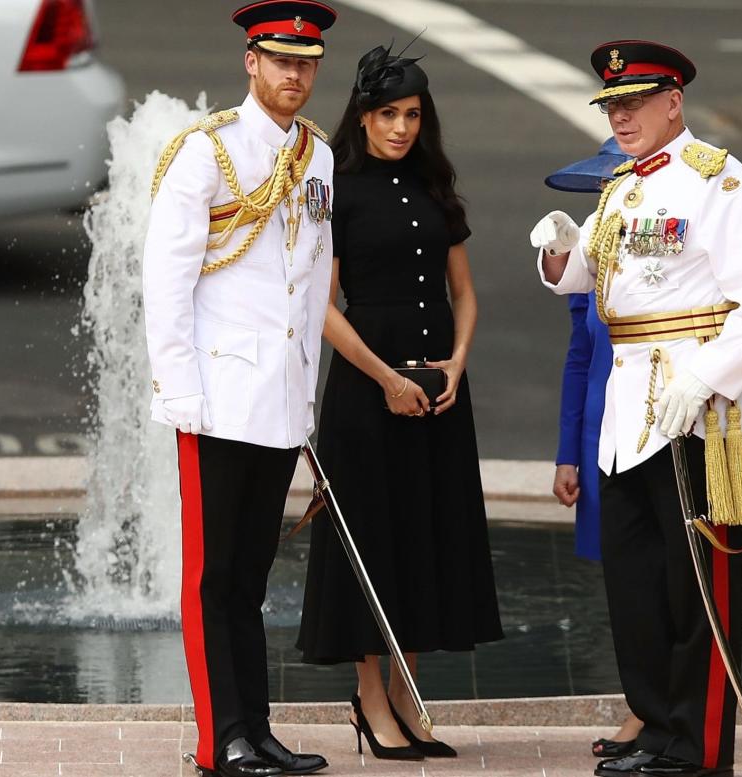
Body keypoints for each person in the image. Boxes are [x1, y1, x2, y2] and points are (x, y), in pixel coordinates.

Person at [531, 41, 742, 777]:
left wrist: (710, 375)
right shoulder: (621, 187)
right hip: (628, 417)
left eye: (635, 103)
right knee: (638, 583)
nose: (621, 116)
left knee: (698, 591)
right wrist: (559, 252)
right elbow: (589, 275)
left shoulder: (718, 180)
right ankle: (657, 722)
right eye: (612, 105)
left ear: (672, 102)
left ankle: (699, 745)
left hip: (700, 415)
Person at [142, 2, 338, 775]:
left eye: (307, 62)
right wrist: (180, 390)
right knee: (211, 577)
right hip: (217, 396)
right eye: (280, 60)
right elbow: (167, 281)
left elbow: (312, 281)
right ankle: (218, 739)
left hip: (279, 402)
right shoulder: (205, 153)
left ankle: (254, 729)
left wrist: (307, 400)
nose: (295, 75)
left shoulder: (317, 158)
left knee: (250, 578)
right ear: (250, 63)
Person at [295, 43, 504, 761]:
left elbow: (466, 294)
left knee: (429, 530)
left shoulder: (434, 186)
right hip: (365, 384)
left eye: (413, 115)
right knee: (370, 535)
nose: (401, 127)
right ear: (363, 115)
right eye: (388, 114)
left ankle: (411, 694)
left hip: (439, 387)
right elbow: (321, 306)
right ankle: (370, 697)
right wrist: (385, 375)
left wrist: (458, 364)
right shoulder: (337, 188)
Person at [547, 139, 645, 759]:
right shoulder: (597, 246)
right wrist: (566, 454)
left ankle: (655, 708)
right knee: (624, 583)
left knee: (658, 579)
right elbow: (580, 357)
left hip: (655, 430)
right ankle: (642, 701)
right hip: (598, 436)